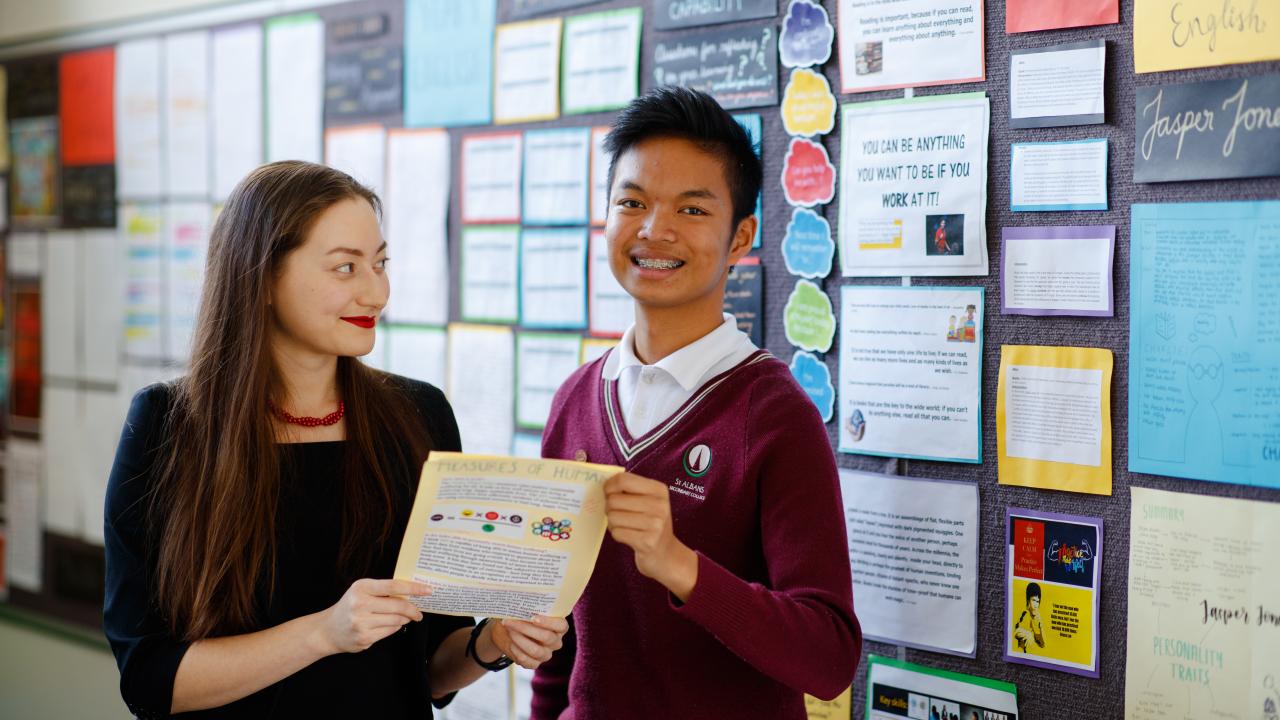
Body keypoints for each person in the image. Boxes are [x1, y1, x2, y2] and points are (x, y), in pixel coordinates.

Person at [103, 161, 568, 718]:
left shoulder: (419, 416)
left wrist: (491, 643)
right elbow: (150, 681)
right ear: (263, 278)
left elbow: (429, 671)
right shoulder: (167, 426)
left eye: (380, 263)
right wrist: (324, 633)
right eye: (346, 268)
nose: (377, 292)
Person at [531, 86, 860, 718]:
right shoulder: (576, 400)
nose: (656, 230)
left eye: (691, 209)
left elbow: (829, 657)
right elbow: (558, 644)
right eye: (632, 202)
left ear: (741, 238)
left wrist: (679, 565)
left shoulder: (774, 414)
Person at [1013, 582, 1045, 652]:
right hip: (1022, 651)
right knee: (1029, 636)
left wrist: (1041, 628)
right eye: (1033, 600)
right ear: (1028, 600)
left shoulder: (1037, 617)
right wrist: (1028, 635)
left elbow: (1042, 644)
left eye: (1037, 601)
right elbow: (1015, 632)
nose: (1035, 605)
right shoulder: (1024, 613)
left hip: (1033, 652)